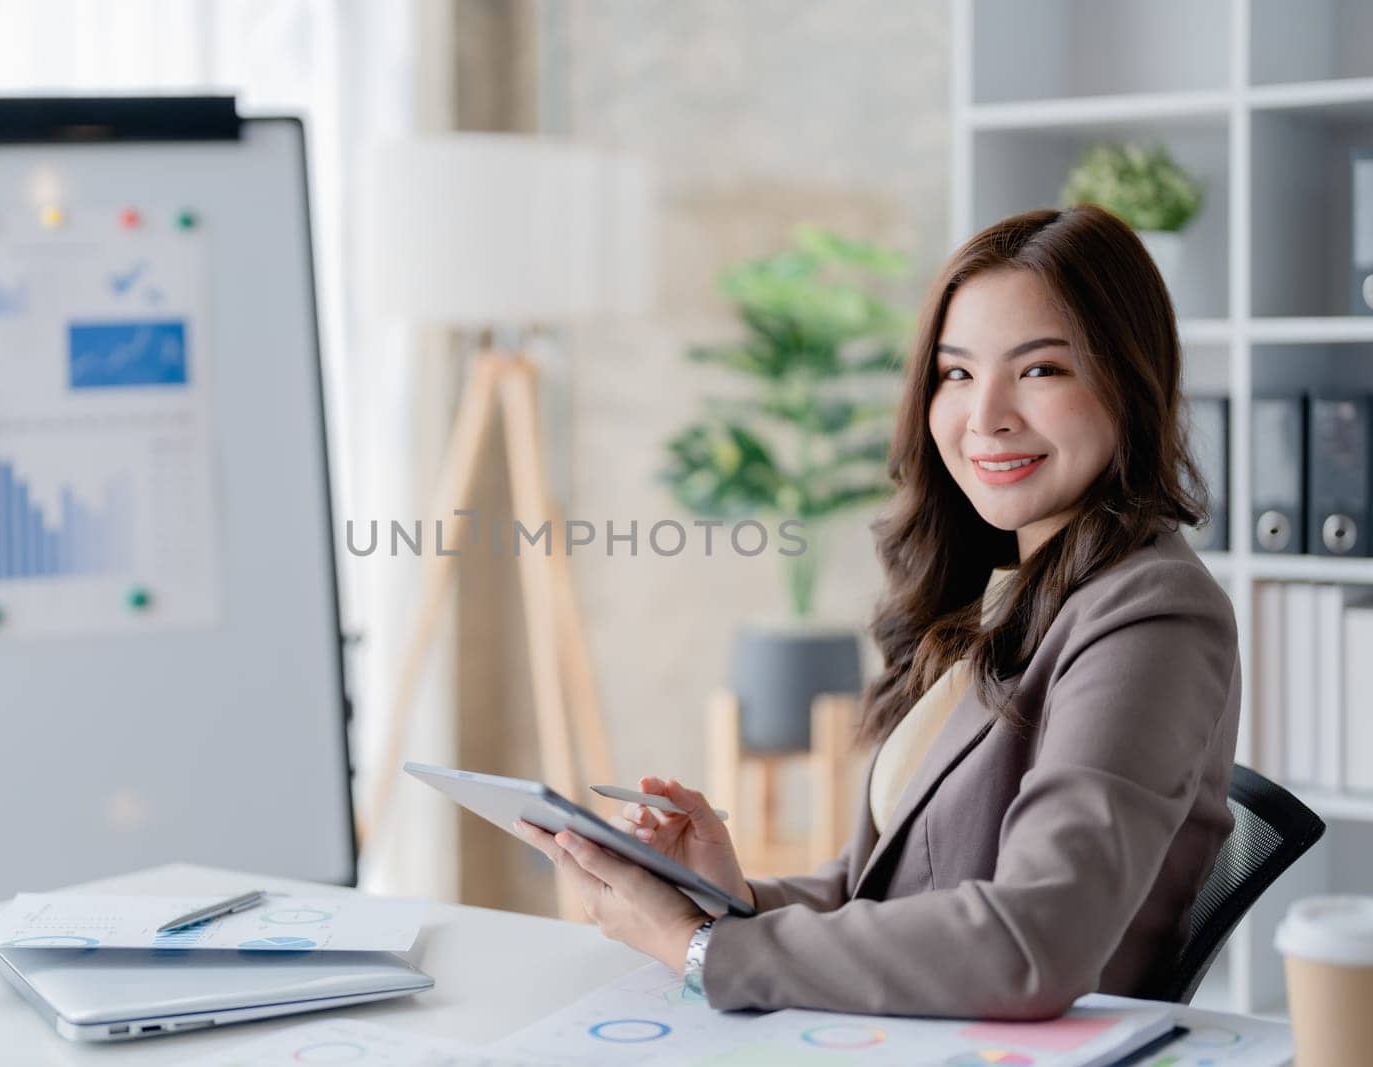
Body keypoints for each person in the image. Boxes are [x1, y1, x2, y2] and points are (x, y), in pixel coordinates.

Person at [516, 204, 1240, 1020]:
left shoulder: (1153, 615)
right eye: (956, 373)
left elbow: (1034, 941)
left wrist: (697, 946)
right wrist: (731, 895)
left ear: (1131, 380)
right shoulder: (1015, 587)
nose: (984, 416)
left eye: (1040, 370)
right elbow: (891, 888)